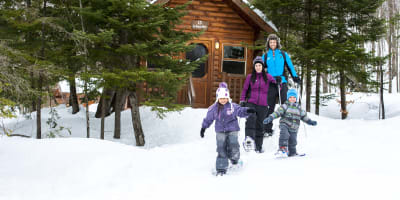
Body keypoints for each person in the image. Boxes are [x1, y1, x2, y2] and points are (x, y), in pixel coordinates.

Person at [200, 82, 255, 176]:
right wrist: (204, 127)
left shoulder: (232, 106)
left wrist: (247, 110)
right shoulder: (213, 109)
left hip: (233, 129)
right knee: (221, 147)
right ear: (218, 98)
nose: (223, 100)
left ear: (228, 98)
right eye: (221, 98)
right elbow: (208, 118)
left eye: (225, 98)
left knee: (233, 144)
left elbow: (240, 111)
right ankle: (221, 167)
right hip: (220, 131)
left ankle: (235, 159)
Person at [262, 34, 301, 137]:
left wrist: (295, 77)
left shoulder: (283, 54)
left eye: (274, 42)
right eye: (271, 42)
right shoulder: (266, 56)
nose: (272, 44)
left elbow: (290, 66)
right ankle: (267, 129)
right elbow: (260, 69)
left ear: (277, 43)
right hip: (271, 83)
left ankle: (287, 126)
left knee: (285, 105)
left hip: (282, 82)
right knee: (269, 106)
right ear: (268, 44)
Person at [263, 89, 317, 157]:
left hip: (294, 127)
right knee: (284, 134)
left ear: (296, 98)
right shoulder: (285, 106)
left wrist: (310, 121)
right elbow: (277, 112)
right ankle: (282, 149)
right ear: (288, 98)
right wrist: (270, 117)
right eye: (290, 97)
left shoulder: (299, 108)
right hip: (285, 124)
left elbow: (304, 116)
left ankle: (292, 152)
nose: (292, 99)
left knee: (293, 140)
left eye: (294, 97)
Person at [239, 56, 275, 153]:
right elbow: (245, 89)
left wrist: (278, 82)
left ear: (262, 67)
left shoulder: (268, 77)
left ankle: (258, 147)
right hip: (251, 102)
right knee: (251, 118)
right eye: (256, 65)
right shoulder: (250, 77)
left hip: (263, 104)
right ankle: (249, 141)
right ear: (254, 66)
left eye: (259, 65)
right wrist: (242, 100)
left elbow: (276, 87)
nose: (258, 67)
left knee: (260, 125)